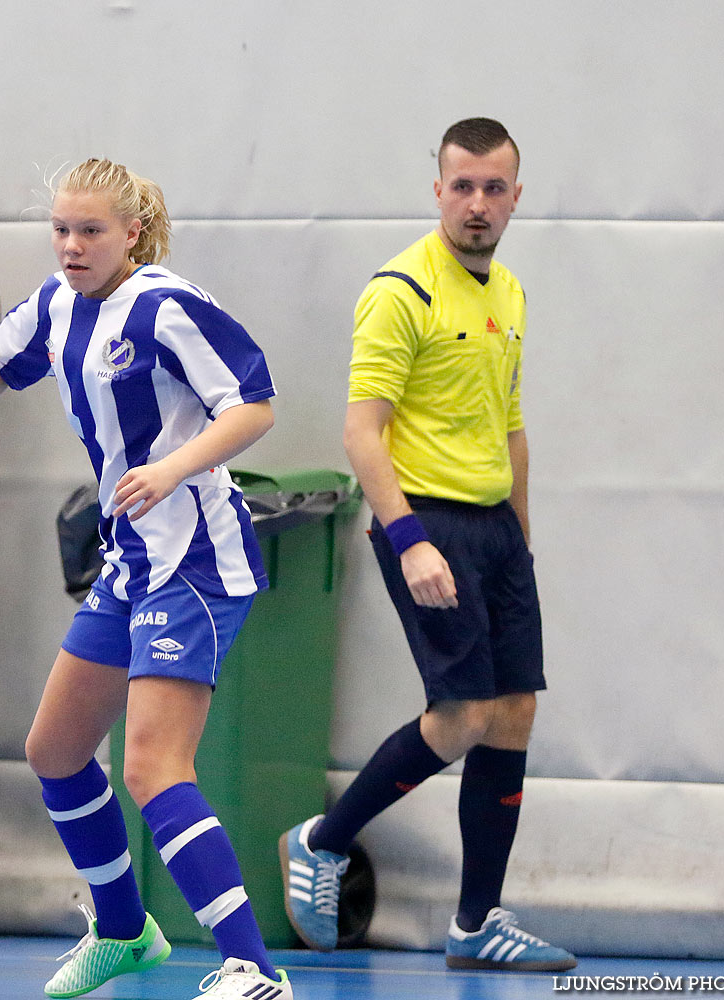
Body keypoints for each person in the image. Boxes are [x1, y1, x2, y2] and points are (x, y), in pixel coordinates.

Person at [0, 158, 293, 1000]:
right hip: (128, 561)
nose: (71, 245)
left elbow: (255, 404)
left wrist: (173, 469)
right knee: (54, 752)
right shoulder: (56, 304)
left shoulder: (168, 307)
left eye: (90, 231)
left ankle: (254, 969)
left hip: (195, 557)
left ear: (131, 232)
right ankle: (125, 931)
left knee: (155, 767)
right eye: (60, 229)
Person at [276, 118, 576, 972]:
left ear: (517, 195)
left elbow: (511, 427)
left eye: (494, 188)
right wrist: (408, 540)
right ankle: (323, 841)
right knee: (462, 716)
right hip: (426, 522)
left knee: (514, 713)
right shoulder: (401, 290)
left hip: (494, 530)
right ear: (436, 189)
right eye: (462, 186)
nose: (477, 205)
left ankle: (476, 925)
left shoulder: (509, 293)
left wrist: (521, 536)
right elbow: (361, 432)